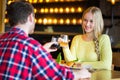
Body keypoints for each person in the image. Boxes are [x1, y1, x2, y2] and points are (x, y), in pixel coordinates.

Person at [0, 1, 91, 80]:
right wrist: (79, 74)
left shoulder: (2, 39)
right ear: (31, 17)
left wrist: (41, 50)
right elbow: (56, 76)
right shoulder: (31, 46)